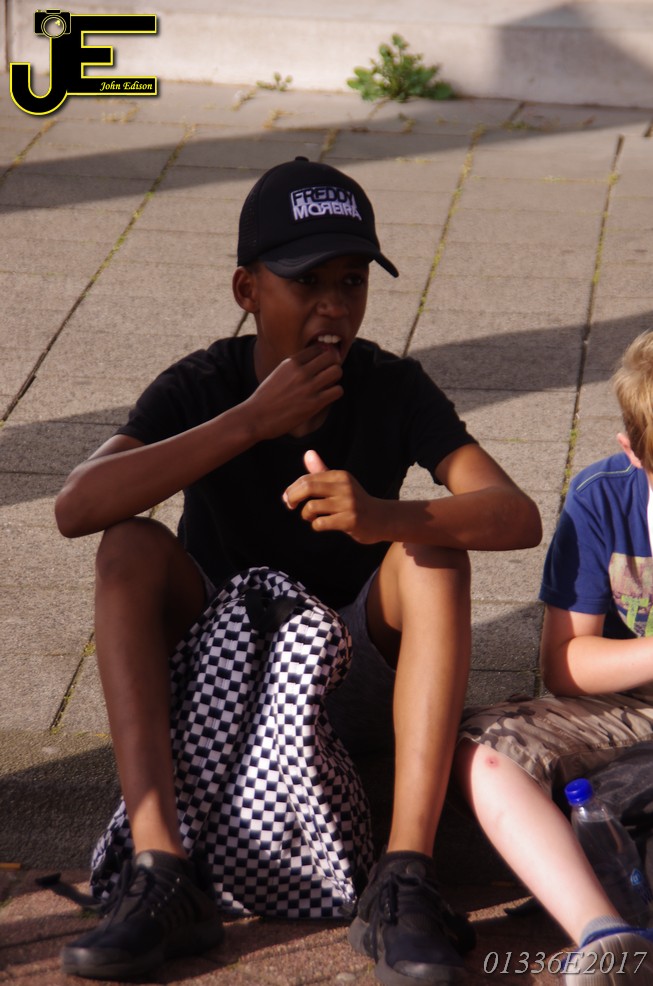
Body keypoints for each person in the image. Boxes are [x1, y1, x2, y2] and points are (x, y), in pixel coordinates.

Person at [54, 156, 542, 985]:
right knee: (126, 546)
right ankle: (160, 869)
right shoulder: (204, 383)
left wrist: (383, 517)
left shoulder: (390, 385)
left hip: (354, 671)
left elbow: (514, 513)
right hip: (221, 678)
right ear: (246, 290)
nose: (333, 306)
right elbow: (76, 505)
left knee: (432, 552)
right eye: (306, 281)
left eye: (351, 281)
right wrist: (247, 422)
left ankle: (404, 879)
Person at [455, 330, 653, 985]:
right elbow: (565, 665)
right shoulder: (601, 497)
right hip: (627, 707)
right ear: (631, 452)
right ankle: (603, 933)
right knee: (484, 750)